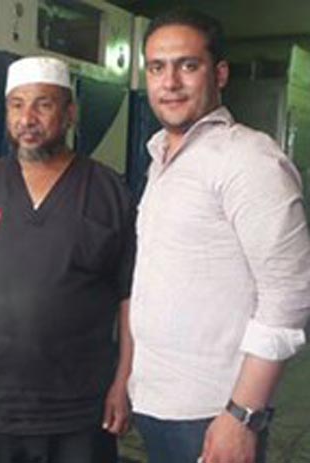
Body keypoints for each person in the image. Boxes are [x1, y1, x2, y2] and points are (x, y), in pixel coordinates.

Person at [0, 56, 136, 463]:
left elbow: (130, 296)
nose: (27, 119)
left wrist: (123, 381)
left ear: (70, 113)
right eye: (16, 105)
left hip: (77, 407)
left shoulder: (108, 191)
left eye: (43, 104)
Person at [126, 8, 310, 463]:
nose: (170, 82)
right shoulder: (161, 159)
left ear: (220, 74)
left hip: (214, 410)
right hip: (157, 399)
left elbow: (289, 296)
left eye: (187, 65)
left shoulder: (248, 159)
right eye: (157, 68)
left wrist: (242, 415)